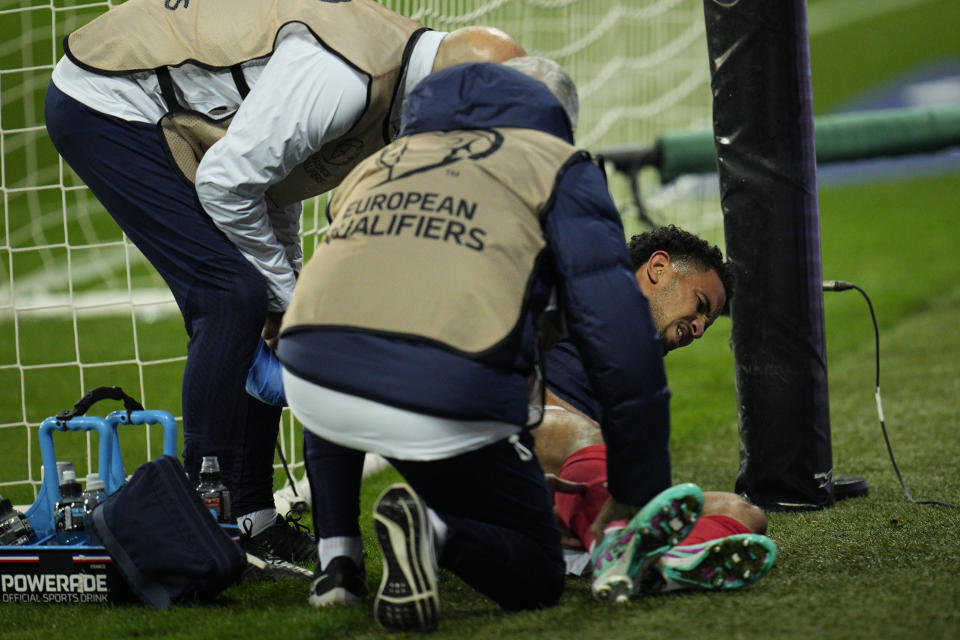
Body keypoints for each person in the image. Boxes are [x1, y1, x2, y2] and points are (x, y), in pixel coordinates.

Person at [43, 0, 524, 578]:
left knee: (264, 306)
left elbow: (276, 183)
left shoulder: (400, 87)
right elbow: (227, 184)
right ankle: (202, 522)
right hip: (106, 98)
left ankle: (251, 520)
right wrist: (285, 300)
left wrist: (286, 297)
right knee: (229, 296)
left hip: (164, 109)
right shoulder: (345, 80)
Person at [277, 56, 692, 630]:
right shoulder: (557, 163)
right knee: (537, 572)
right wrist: (637, 491)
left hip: (309, 379)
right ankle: (435, 530)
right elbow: (622, 344)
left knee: (346, 338)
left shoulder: (378, 162)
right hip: (444, 395)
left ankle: (337, 566)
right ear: (554, 117)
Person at [535, 226, 778, 597]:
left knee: (744, 512)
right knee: (568, 428)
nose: (698, 329)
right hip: (523, 474)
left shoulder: (642, 373)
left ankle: (657, 566)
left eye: (707, 325)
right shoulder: (573, 294)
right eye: (699, 305)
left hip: (590, 507)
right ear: (659, 267)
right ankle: (622, 545)